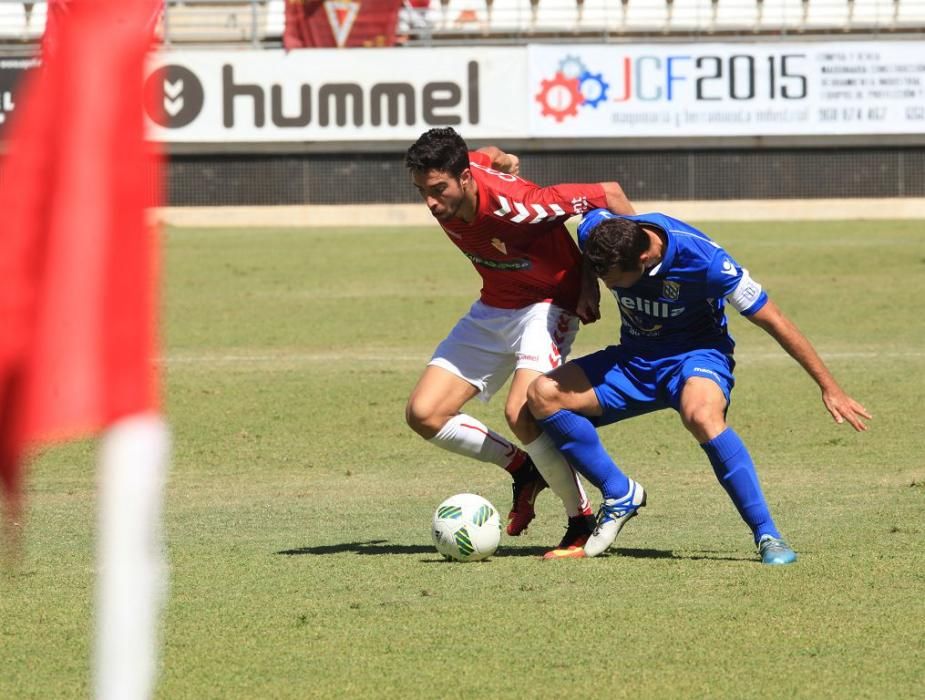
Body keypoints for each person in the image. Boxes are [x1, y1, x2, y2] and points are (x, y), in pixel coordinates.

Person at [526, 209, 871, 563]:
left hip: (697, 356)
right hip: (634, 359)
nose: (610, 286)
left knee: (702, 416)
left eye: (614, 280)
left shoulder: (707, 262)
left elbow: (775, 319)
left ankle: (768, 535)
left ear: (644, 258)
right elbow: (594, 223)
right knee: (543, 395)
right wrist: (587, 286)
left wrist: (829, 387)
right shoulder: (601, 232)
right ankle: (618, 494)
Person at [404, 127, 636, 557]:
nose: (432, 203)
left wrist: (614, 282)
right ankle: (524, 468)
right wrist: (504, 158)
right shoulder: (466, 165)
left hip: (549, 304)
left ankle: (581, 520)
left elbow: (610, 194)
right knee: (424, 414)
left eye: (438, 190)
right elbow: (488, 154)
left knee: (521, 410)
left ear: (465, 179)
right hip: (495, 304)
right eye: (422, 192)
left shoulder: (520, 206)